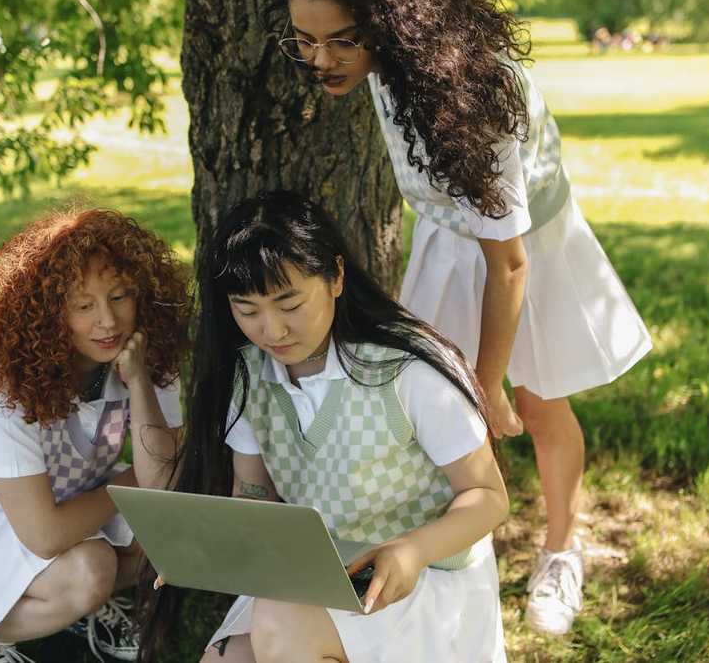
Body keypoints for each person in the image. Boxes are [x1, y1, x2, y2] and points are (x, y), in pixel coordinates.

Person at [268, 0, 653, 635]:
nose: (320, 59)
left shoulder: (475, 92)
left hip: (525, 248)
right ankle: (447, 557)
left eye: (341, 37)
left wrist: (487, 380)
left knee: (536, 403)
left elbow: (507, 263)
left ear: (390, 21)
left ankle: (563, 549)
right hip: (451, 243)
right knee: (428, 413)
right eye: (305, 38)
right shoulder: (384, 69)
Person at [143, 191, 510, 663]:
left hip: (425, 576)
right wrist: (208, 547)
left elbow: (490, 497)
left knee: (279, 624)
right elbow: (253, 496)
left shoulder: (408, 371)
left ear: (335, 277)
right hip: (314, 576)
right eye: (248, 310)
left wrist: (413, 550)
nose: (272, 330)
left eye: (289, 303)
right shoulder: (249, 373)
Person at [0, 207, 191, 662]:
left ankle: (73, 610)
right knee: (91, 570)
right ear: (51, 313)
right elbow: (45, 535)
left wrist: (141, 384)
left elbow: (168, 482)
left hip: (71, 507)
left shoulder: (146, 350)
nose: (107, 322)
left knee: (170, 536)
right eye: (83, 305)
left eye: (120, 296)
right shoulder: (2, 381)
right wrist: (131, 486)